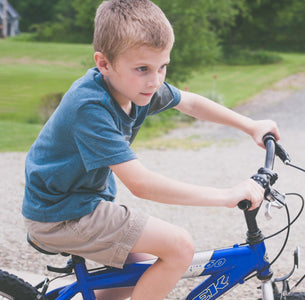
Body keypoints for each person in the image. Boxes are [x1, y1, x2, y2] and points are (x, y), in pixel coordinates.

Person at [21, 0, 280, 299]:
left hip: (83, 204)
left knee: (139, 270)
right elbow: (142, 184)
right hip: (61, 215)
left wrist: (250, 125)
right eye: (143, 68)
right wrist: (225, 195)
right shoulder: (90, 107)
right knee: (179, 246)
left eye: (162, 67)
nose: (155, 80)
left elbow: (190, 102)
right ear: (103, 63)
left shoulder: (135, 87)